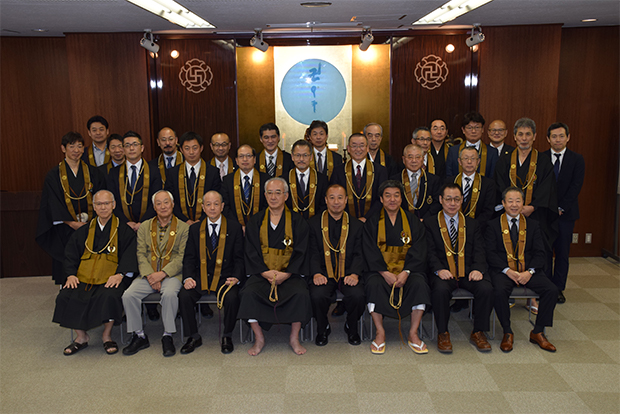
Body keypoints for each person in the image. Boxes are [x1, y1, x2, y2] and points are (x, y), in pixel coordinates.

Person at [52, 190, 138, 355]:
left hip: (111, 277)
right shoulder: (84, 231)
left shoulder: (123, 229)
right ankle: (81, 336)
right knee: (66, 294)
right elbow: (70, 253)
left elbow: (130, 253)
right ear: (94, 207)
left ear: (113, 205)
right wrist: (70, 274)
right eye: (99, 204)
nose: (103, 207)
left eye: (106, 203)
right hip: (84, 276)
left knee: (110, 295)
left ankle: (107, 336)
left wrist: (120, 274)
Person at [237, 178, 312, 356]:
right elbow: (250, 250)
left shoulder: (297, 221)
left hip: (289, 274)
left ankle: (294, 337)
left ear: (286, 196)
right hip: (262, 273)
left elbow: (302, 251)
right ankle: (259, 338)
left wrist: (286, 274)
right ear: (264, 195)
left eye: (278, 192)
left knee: (300, 294)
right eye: (269, 193)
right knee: (248, 294)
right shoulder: (256, 221)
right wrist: (265, 272)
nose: (273, 197)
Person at [486, 187, 558, 353]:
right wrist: (507, 270)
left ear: (523, 203)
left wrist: (530, 272)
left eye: (518, 201)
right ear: (503, 203)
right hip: (504, 271)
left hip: (528, 271)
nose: (514, 205)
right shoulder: (492, 225)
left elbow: (541, 253)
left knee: (551, 290)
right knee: (498, 290)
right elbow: (490, 253)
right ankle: (507, 331)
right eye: (510, 201)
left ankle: (538, 331)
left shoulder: (533, 225)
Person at [363, 180, 430, 354]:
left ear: (402, 198)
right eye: (388, 195)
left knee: (420, 284)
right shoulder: (372, 222)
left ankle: (413, 333)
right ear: (381, 199)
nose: (392, 199)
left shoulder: (412, 220)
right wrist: (385, 273)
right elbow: (369, 250)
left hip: (407, 271)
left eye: (396, 195)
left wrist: (406, 272)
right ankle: (380, 331)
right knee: (373, 284)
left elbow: (420, 248)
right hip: (381, 271)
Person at [425, 184, 493, 353]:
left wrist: (478, 269)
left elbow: (479, 250)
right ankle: (443, 332)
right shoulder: (430, 223)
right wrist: (438, 269)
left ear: (462, 200)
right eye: (448, 199)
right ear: (441, 200)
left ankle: (478, 331)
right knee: (440, 290)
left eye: (456, 199)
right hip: (442, 271)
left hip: (468, 271)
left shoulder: (472, 223)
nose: (452, 203)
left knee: (486, 288)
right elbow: (428, 252)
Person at [121, 190, 189, 357]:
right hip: (148, 274)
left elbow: (182, 257)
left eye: (166, 202)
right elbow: (140, 254)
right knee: (128, 295)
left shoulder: (183, 227)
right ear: (154, 207)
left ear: (173, 204)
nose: (163, 206)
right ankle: (139, 335)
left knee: (170, 294)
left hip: (172, 275)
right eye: (158, 203)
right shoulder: (145, 226)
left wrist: (162, 274)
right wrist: (151, 276)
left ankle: (167, 335)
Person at [493, 118, 558, 292]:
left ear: (535, 136)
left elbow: (547, 187)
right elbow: (500, 184)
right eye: (520, 134)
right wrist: (513, 206)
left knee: (537, 250)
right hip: (509, 213)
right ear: (514, 137)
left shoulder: (543, 161)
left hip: (534, 214)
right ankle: (509, 285)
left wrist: (532, 207)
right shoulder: (505, 160)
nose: (524, 138)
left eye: (528, 134)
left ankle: (534, 294)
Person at [179, 191, 245, 354]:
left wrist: (236, 277)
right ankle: (193, 336)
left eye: (216, 204)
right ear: (203, 207)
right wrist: (187, 277)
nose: (212, 207)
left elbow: (239, 258)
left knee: (232, 297)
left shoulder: (234, 227)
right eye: (208, 204)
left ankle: (227, 335)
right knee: (184, 296)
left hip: (225, 277)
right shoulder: (195, 229)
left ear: (222, 206)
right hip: (200, 277)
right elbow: (189, 257)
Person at [36, 132, 106, 285]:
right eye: (71, 146)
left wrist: (93, 222)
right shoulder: (53, 175)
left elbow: (101, 197)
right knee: (68, 259)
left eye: (80, 146)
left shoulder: (93, 172)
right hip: (66, 227)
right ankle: (66, 289)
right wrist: (71, 223)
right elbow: (52, 202)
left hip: (91, 226)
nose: (76, 150)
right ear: (63, 148)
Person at [307, 184, 365, 346]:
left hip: (348, 273)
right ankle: (323, 326)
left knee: (358, 295)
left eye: (340, 197)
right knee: (317, 295)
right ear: (325, 200)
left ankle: (351, 326)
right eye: (331, 197)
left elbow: (360, 253)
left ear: (346, 200)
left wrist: (354, 274)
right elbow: (311, 252)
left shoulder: (357, 225)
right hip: (323, 273)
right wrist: (316, 273)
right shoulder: (313, 224)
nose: (336, 202)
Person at [542, 122, 585, 303]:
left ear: (568, 137)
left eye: (561, 136)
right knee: (543, 252)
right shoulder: (541, 158)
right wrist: (549, 208)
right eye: (554, 136)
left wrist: (560, 208)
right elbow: (540, 187)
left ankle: (558, 288)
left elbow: (576, 187)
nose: (557, 139)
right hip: (544, 214)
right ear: (548, 139)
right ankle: (545, 286)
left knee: (561, 252)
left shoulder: (577, 159)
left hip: (566, 215)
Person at [107, 131, 162, 232]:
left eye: (135, 145)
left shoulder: (154, 171)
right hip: (122, 226)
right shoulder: (114, 172)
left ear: (142, 148)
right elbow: (112, 201)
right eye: (127, 145)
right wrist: (126, 222)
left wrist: (143, 222)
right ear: (123, 149)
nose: (131, 148)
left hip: (149, 225)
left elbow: (156, 200)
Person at [165, 131, 221, 224]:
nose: (191, 152)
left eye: (195, 148)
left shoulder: (212, 172)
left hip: (207, 221)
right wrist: (185, 220)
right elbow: (170, 200)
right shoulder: (173, 173)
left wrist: (201, 220)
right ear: (181, 150)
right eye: (187, 148)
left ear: (201, 148)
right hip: (180, 223)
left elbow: (217, 200)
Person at [330, 133, 388, 222]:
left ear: (367, 148)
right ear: (348, 149)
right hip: (345, 221)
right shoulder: (338, 171)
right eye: (354, 146)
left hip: (373, 221)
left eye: (361, 146)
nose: (358, 149)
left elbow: (381, 198)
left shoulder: (380, 171)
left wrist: (366, 218)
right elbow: (335, 197)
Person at [447, 146, 496, 231]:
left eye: (473, 159)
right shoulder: (450, 181)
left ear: (478, 161)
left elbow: (488, 211)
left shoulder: (488, 184)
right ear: (459, 161)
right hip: (452, 228)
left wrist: (473, 227)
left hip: (478, 229)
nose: (469, 162)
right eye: (466, 158)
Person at [220, 144, 268, 230]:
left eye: (248, 156)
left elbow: (267, 205)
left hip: (260, 227)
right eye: (241, 156)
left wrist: (256, 224)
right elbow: (225, 206)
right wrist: (237, 226)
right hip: (235, 228)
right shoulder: (227, 180)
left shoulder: (265, 179)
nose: (245, 159)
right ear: (236, 160)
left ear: (254, 159)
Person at [394, 144, 441, 221]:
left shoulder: (433, 180)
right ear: (403, 159)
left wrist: (425, 219)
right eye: (410, 157)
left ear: (423, 159)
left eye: (418, 157)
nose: (414, 160)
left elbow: (436, 203)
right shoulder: (395, 180)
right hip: (401, 221)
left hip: (427, 222)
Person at [446, 112, 498, 178]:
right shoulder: (453, 151)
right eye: (469, 128)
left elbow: (493, 178)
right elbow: (449, 176)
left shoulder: (492, 152)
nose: (473, 131)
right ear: (463, 130)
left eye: (477, 127)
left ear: (482, 129)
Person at [286, 139, 328, 220]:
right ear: (292, 157)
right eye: (298, 155)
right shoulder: (284, 179)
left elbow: (324, 206)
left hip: (316, 226)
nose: (301, 159)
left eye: (305, 155)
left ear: (311, 157)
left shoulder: (322, 179)